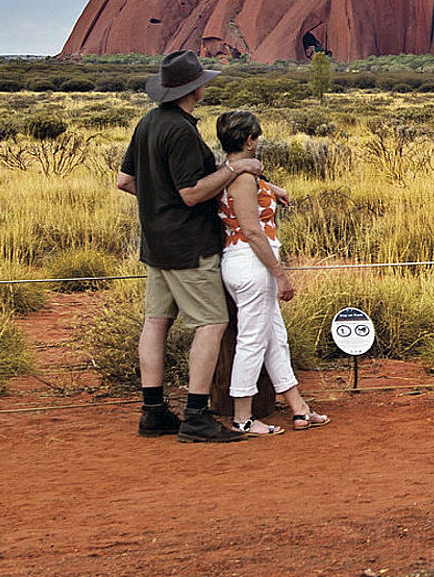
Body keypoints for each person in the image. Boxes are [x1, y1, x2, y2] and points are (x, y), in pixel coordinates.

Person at [115, 50, 264, 443]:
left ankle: (153, 412)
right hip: (188, 246)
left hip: (156, 244)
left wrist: (157, 207)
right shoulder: (180, 130)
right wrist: (234, 168)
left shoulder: (148, 122)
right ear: (194, 89)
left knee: (156, 321)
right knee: (213, 322)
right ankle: (196, 415)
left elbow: (125, 181)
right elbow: (192, 193)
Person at [215, 110, 330, 436]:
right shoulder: (243, 178)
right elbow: (252, 232)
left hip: (242, 264)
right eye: (257, 137)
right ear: (250, 140)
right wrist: (280, 274)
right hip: (253, 265)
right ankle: (242, 417)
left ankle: (299, 408)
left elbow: (241, 186)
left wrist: (270, 186)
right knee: (251, 341)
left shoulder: (229, 173)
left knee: (275, 338)